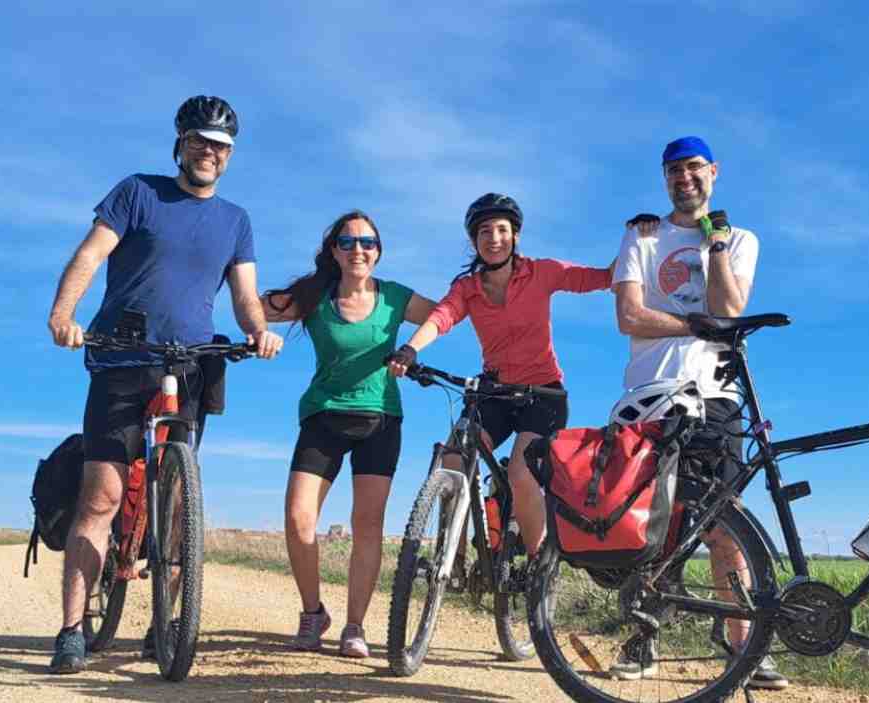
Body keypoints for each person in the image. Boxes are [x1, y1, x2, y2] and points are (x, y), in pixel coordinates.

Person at [45, 95, 284, 674]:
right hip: (121, 360)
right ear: (180, 143)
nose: (210, 152)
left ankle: (166, 622)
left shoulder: (236, 221)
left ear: (229, 156)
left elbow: (246, 295)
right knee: (100, 496)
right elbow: (90, 253)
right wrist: (63, 313)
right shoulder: (138, 192)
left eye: (221, 146)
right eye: (200, 141)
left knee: (176, 505)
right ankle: (72, 630)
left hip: (192, 363)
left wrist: (257, 332)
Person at [610, 136, 788, 690]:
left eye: (693, 169)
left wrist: (713, 243)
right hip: (648, 393)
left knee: (723, 525)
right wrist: (696, 325)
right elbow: (630, 317)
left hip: (714, 395)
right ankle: (644, 637)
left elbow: (729, 309)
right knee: (650, 525)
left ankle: (745, 648)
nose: (683, 179)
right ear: (664, 179)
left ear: (713, 172)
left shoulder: (739, 239)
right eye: (673, 171)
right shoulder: (641, 235)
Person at [385, 193, 613, 564]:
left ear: (516, 236)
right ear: (474, 241)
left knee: (523, 473)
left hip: (544, 395)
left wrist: (642, 241)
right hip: (496, 392)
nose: (494, 238)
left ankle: (539, 565)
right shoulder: (468, 289)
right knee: (453, 461)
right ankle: (450, 561)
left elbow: (600, 277)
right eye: (485, 231)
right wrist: (410, 350)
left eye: (502, 230)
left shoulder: (542, 272)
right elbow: (441, 317)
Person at [261, 211, 435, 658]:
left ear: (378, 251)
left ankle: (355, 626)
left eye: (368, 241)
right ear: (334, 251)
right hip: (323, 418)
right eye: (348, 241)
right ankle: (312, 612)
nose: (359, 248)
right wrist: (259, 329)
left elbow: (445, 315)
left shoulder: (395, 297)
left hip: (380, 420)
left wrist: (415, 349)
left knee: (367, 526)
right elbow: (256, 306)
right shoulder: (316, 296)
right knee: (299, 519)